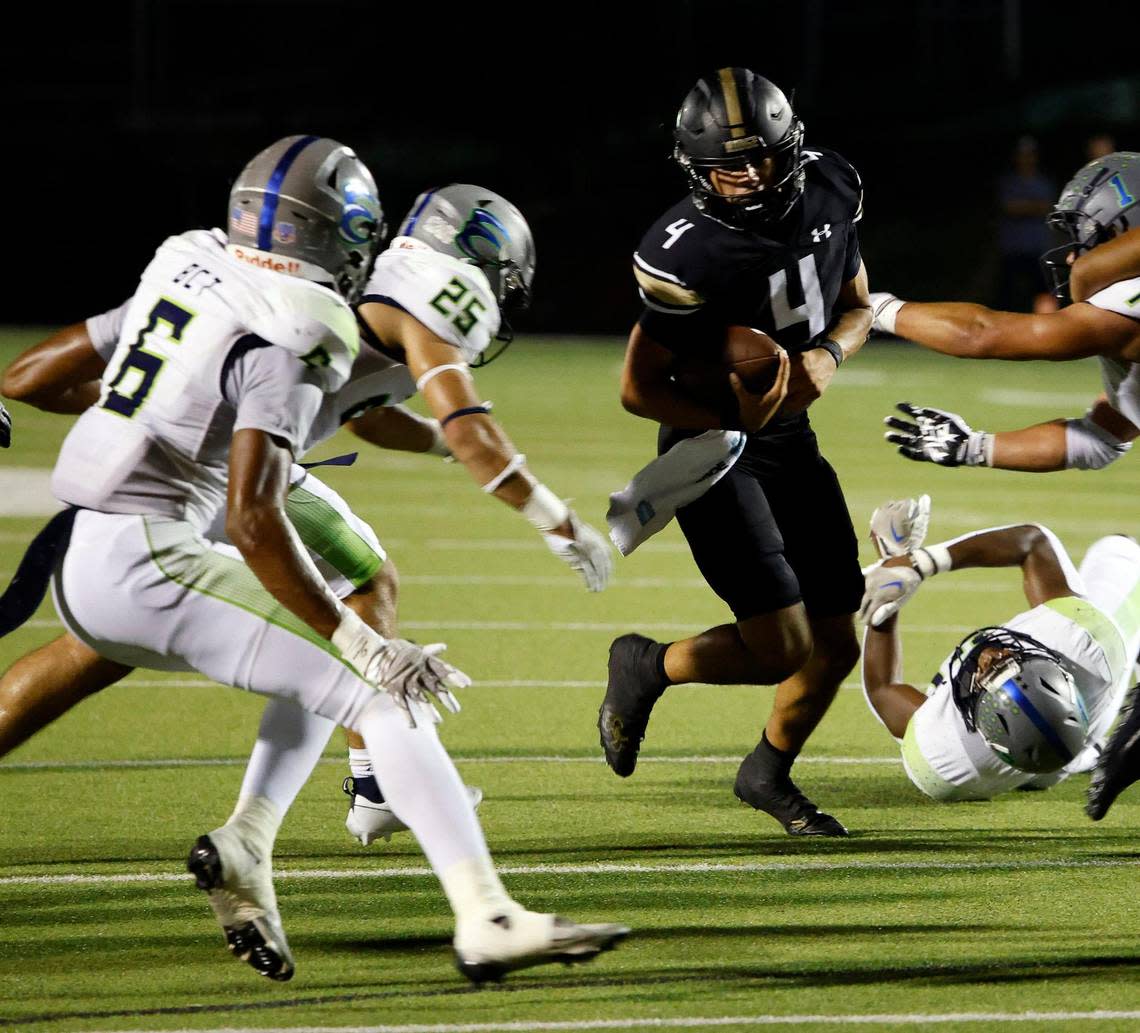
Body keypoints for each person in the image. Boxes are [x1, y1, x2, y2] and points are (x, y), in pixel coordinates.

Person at [0, 140, 625, 984]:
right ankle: (485, 913)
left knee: (308, 627)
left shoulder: (198, 262)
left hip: (108, 537)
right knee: (377, 681)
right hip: (152, 543)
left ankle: (253, 841)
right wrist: (364, 642)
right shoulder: (299, 324)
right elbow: (255, 517)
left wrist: (146, 413)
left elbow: (32, 377)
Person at [597, 68, 872, 837]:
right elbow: (638, 386)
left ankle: (767, 773)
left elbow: (856, 307)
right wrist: (733, 411)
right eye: (730, 164)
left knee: (835, 640)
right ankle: (648, 665)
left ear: (793, 147)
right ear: (696, 166)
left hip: (790, 433)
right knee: (781, 644)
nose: (751, 177)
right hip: (712, 442)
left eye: (764, 158)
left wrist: (827, 359)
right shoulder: (681, 251)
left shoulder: (832, 187)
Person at [871, 151, 1140, 474]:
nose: (1072, 258)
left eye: (1086, 239)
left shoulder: (1123, 314)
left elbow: (982, 334)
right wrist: (973, 447)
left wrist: (875, 309)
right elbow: (1098, 441)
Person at [860, 497, 1139, 801]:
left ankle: (1083, 755)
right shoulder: (1080, 641)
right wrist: (917, 564)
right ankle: (1089, 753)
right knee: (1119, 550)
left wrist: (895, 583)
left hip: (991, 763)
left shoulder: (941, 756)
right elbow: (1033, 542)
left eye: (987, 677)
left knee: (1050, 760)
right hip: (1085, 719)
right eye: (1011, 661)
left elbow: (882, 687)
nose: (993, 656)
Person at [995, 136, 1056, 313]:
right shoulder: (1009, 182)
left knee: (1043, 294)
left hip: (1038, 248)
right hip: (1013, 249)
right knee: (1008, 294)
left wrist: (1026, 206)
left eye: (1030, 154)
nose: (1027, 158)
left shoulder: (1044, 182)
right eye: (1023, 154)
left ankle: (1046, 332)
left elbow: (1050, 208)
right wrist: (1035, 206)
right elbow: (1009, 208)